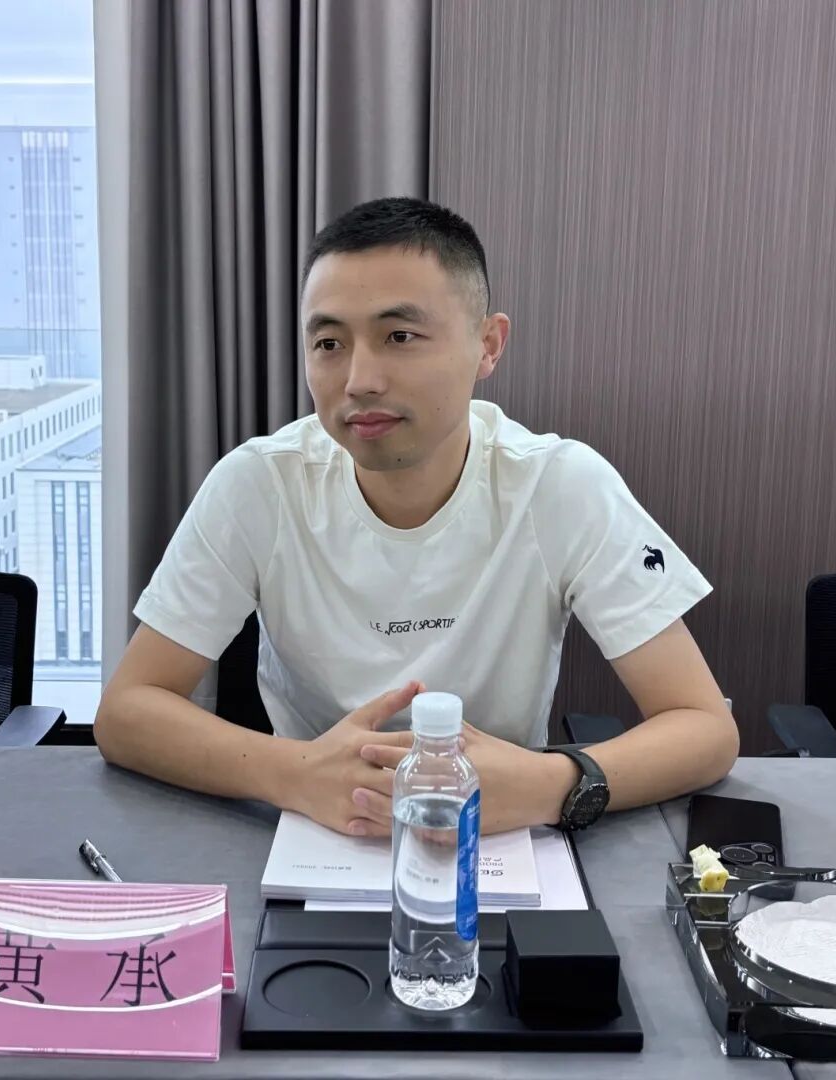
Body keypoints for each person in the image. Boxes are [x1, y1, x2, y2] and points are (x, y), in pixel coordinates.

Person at [95, 196, 738, 837]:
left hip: (497, 833)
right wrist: (295, 773)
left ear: (487, 345)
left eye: (399, 336)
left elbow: (705, 727)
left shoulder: (558, 486)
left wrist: (546, 785)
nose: (360, 380)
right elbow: (127, 712)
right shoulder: (260, 483)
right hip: (315, 829)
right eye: (328, 343)